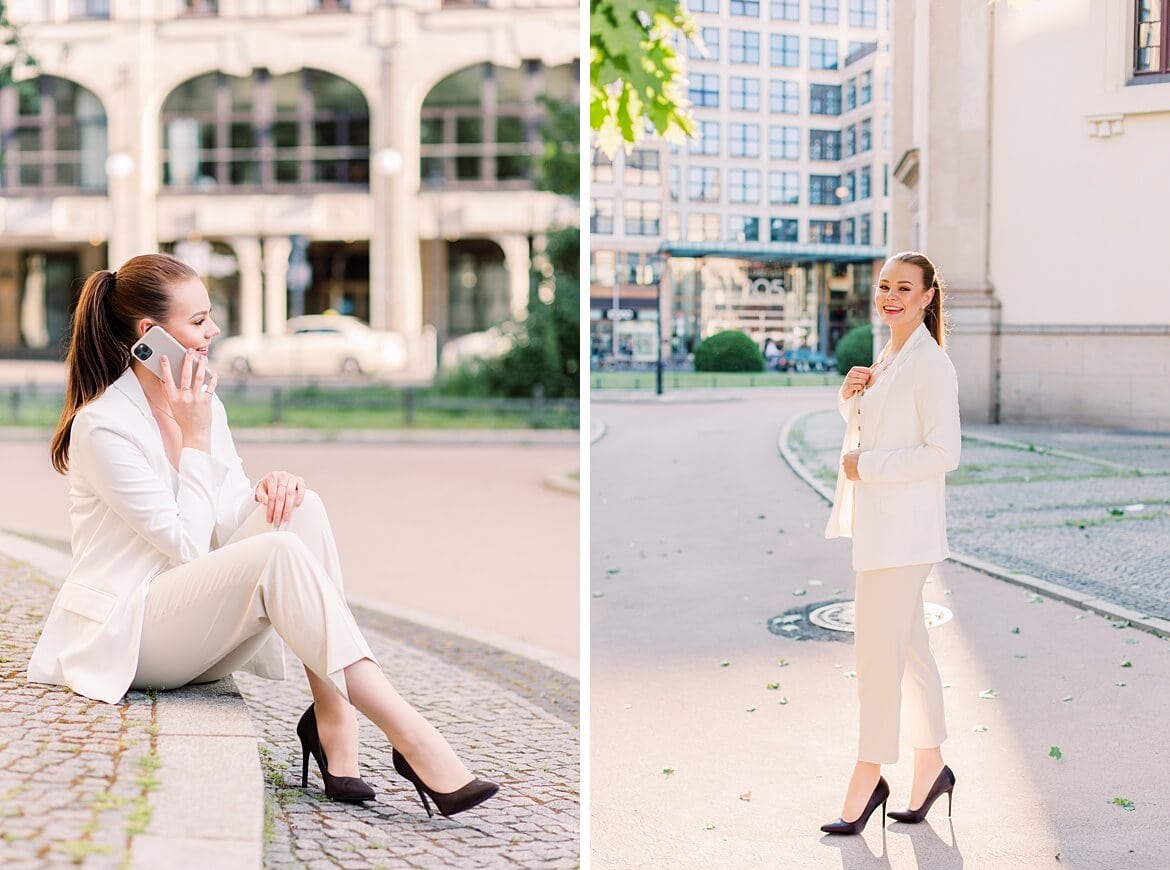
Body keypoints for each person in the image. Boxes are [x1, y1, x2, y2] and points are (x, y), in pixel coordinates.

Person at [28, 253, 498, 817]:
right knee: (276, 550)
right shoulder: (103, 425)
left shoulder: (203, 403)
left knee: (302, 509)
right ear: (150, 336)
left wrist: (266, 491)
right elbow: (184, 544)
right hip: (132, 636)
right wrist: (195, 437)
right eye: (198, 321)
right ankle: (413, 736)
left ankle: (333, 721)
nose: (214, 331)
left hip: (197, 629)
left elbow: (225, 522)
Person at [820, 251, 961, 835]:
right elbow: (871, 426)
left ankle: (868, 773)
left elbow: (943, 453)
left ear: (928, 296)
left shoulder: (931, 364)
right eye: (883, 287)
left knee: (875, 658)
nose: (890, 296)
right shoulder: (890, 354)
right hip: (883, 530)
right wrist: (850, 398)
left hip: (905, 536)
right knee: (908, 652)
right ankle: (931, 767)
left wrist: (867, 466)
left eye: (904, 287)